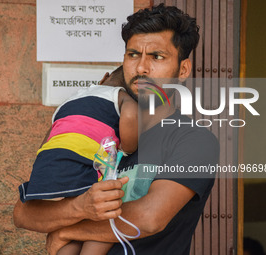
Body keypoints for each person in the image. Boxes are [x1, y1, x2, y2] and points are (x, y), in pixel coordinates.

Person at [13, 4, 219, 255]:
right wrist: (81, 207)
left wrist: (66, 230)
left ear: (183, 69)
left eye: (157, 57)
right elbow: (24, 213)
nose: (142, 68)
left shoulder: (194, 141)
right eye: (133, 54)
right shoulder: (94, 130)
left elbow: (149, 216)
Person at [18, 66, 138, 254]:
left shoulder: (69, 101)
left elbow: (51, 134)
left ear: (104, 77)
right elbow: (131, 116)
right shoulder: (121, 96)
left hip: (50, 163)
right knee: (100, 220)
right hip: (83, 164)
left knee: (71, 223)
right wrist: (129, 147)